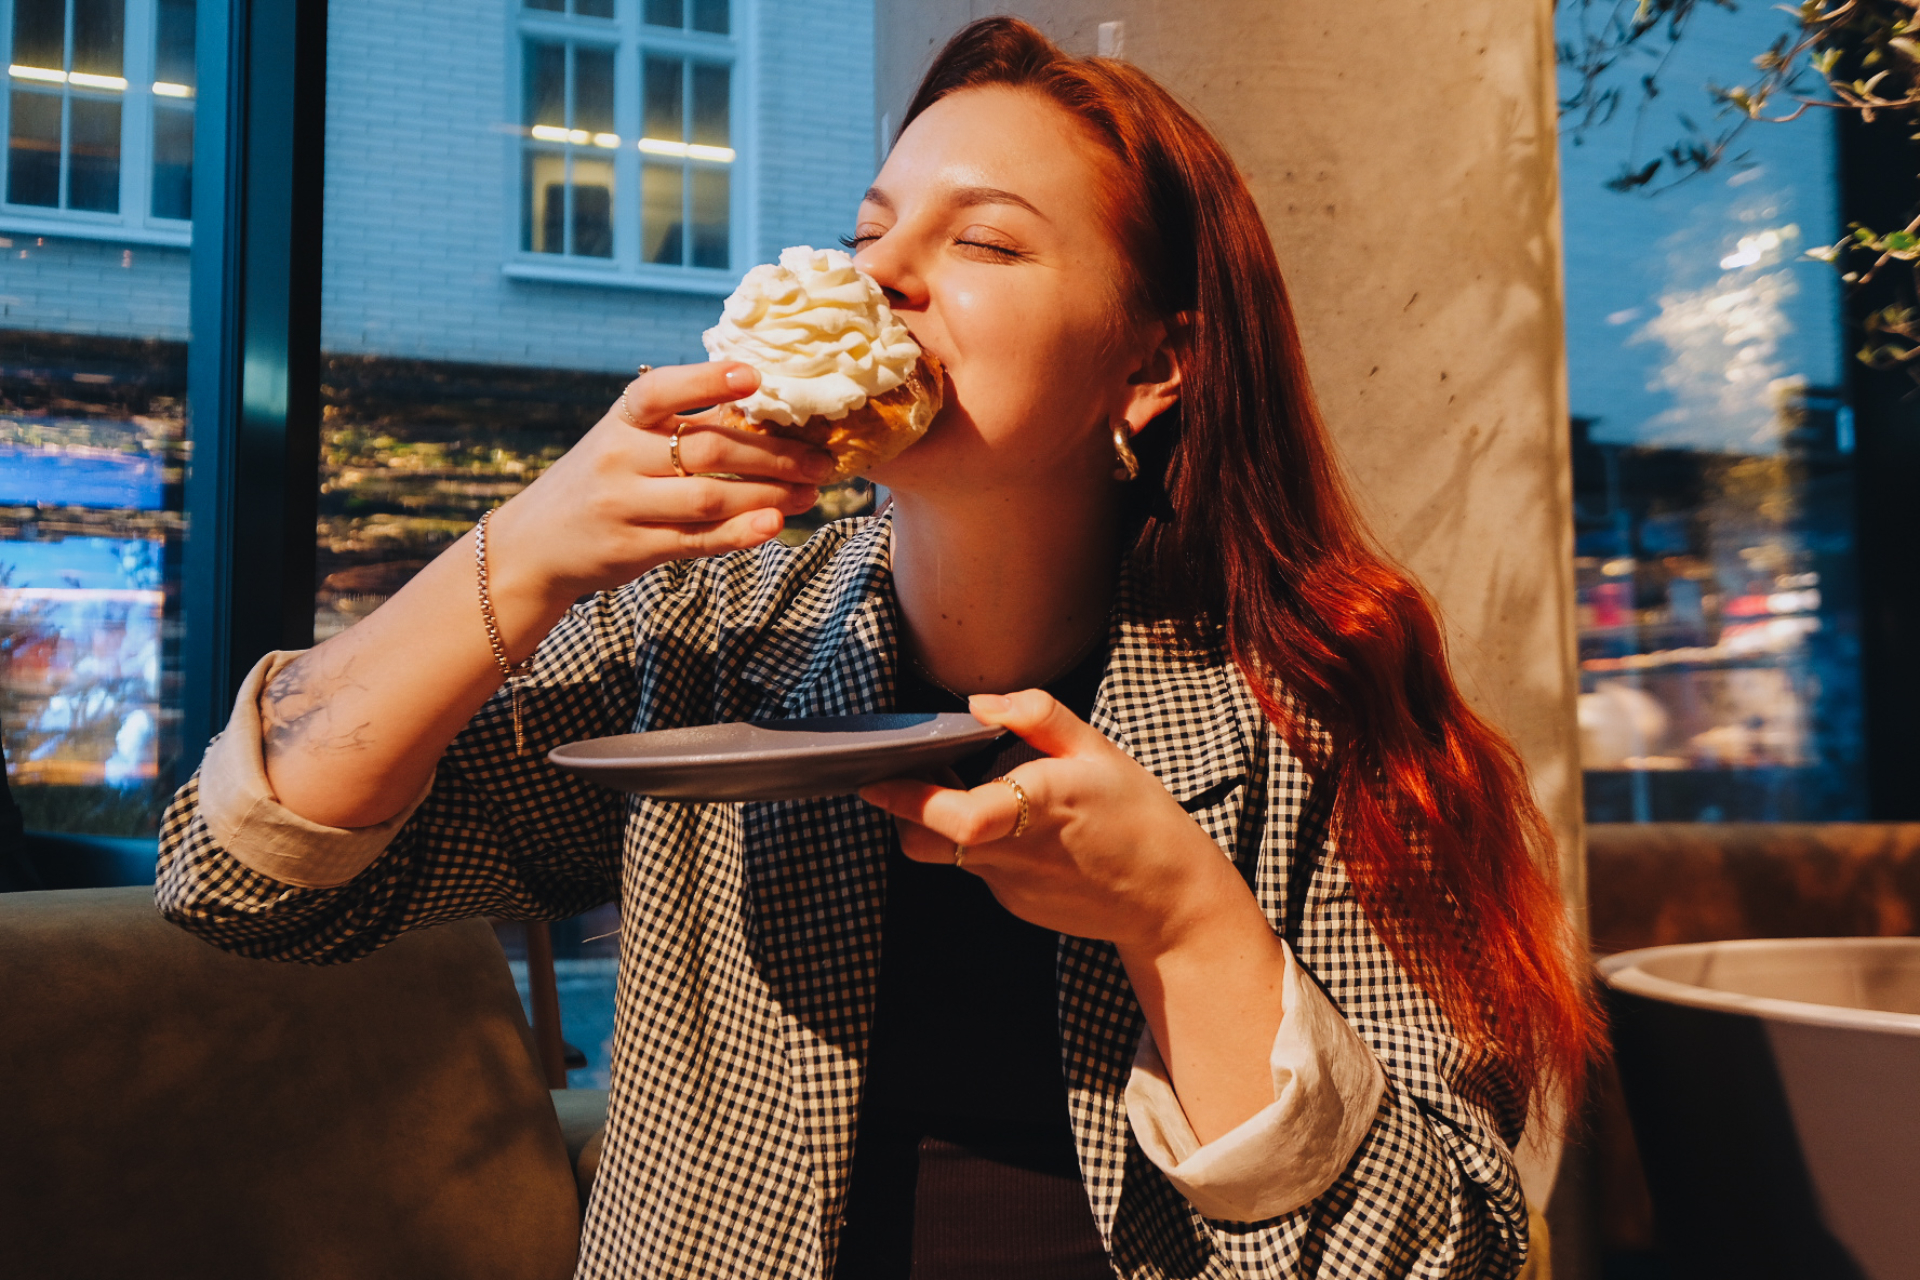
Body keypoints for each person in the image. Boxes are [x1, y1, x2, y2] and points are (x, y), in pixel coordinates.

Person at [156, 17, 1601, 1279]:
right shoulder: (710, 641)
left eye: (980, 242)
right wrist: (521, 551)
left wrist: (1179, 921)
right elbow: (246, 887)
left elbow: (1437, 1252)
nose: (882, 275)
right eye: (869, 233)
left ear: (1156, 364)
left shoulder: (1316, 707)